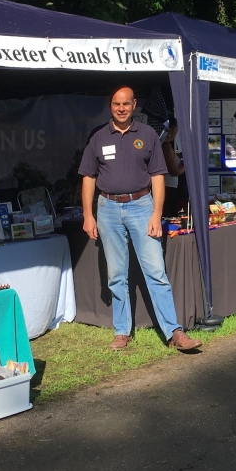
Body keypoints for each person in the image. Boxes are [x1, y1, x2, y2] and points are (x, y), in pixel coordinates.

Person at [79, 86, 202, 352]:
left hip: (142, 206)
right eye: (115, 104)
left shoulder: (147, 136)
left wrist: (156, 214)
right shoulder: (98, 137)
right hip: (108, 209)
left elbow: (158, 176)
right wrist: (88, 215)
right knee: (116, 275)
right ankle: (122, 332)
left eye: (125, 104)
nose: (121, 108)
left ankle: (174, 332)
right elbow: (88, 177)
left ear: (134, 105)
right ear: (110, 105)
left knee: (156, 272)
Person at [161, 116, 185, 217]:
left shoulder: (164, 144)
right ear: (171, 130)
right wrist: (186, 163)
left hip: (168, 187)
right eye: (176, 130)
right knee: (169, 216)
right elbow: (175, 171)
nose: (176, 133)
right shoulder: (165, 145)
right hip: (168, 188)